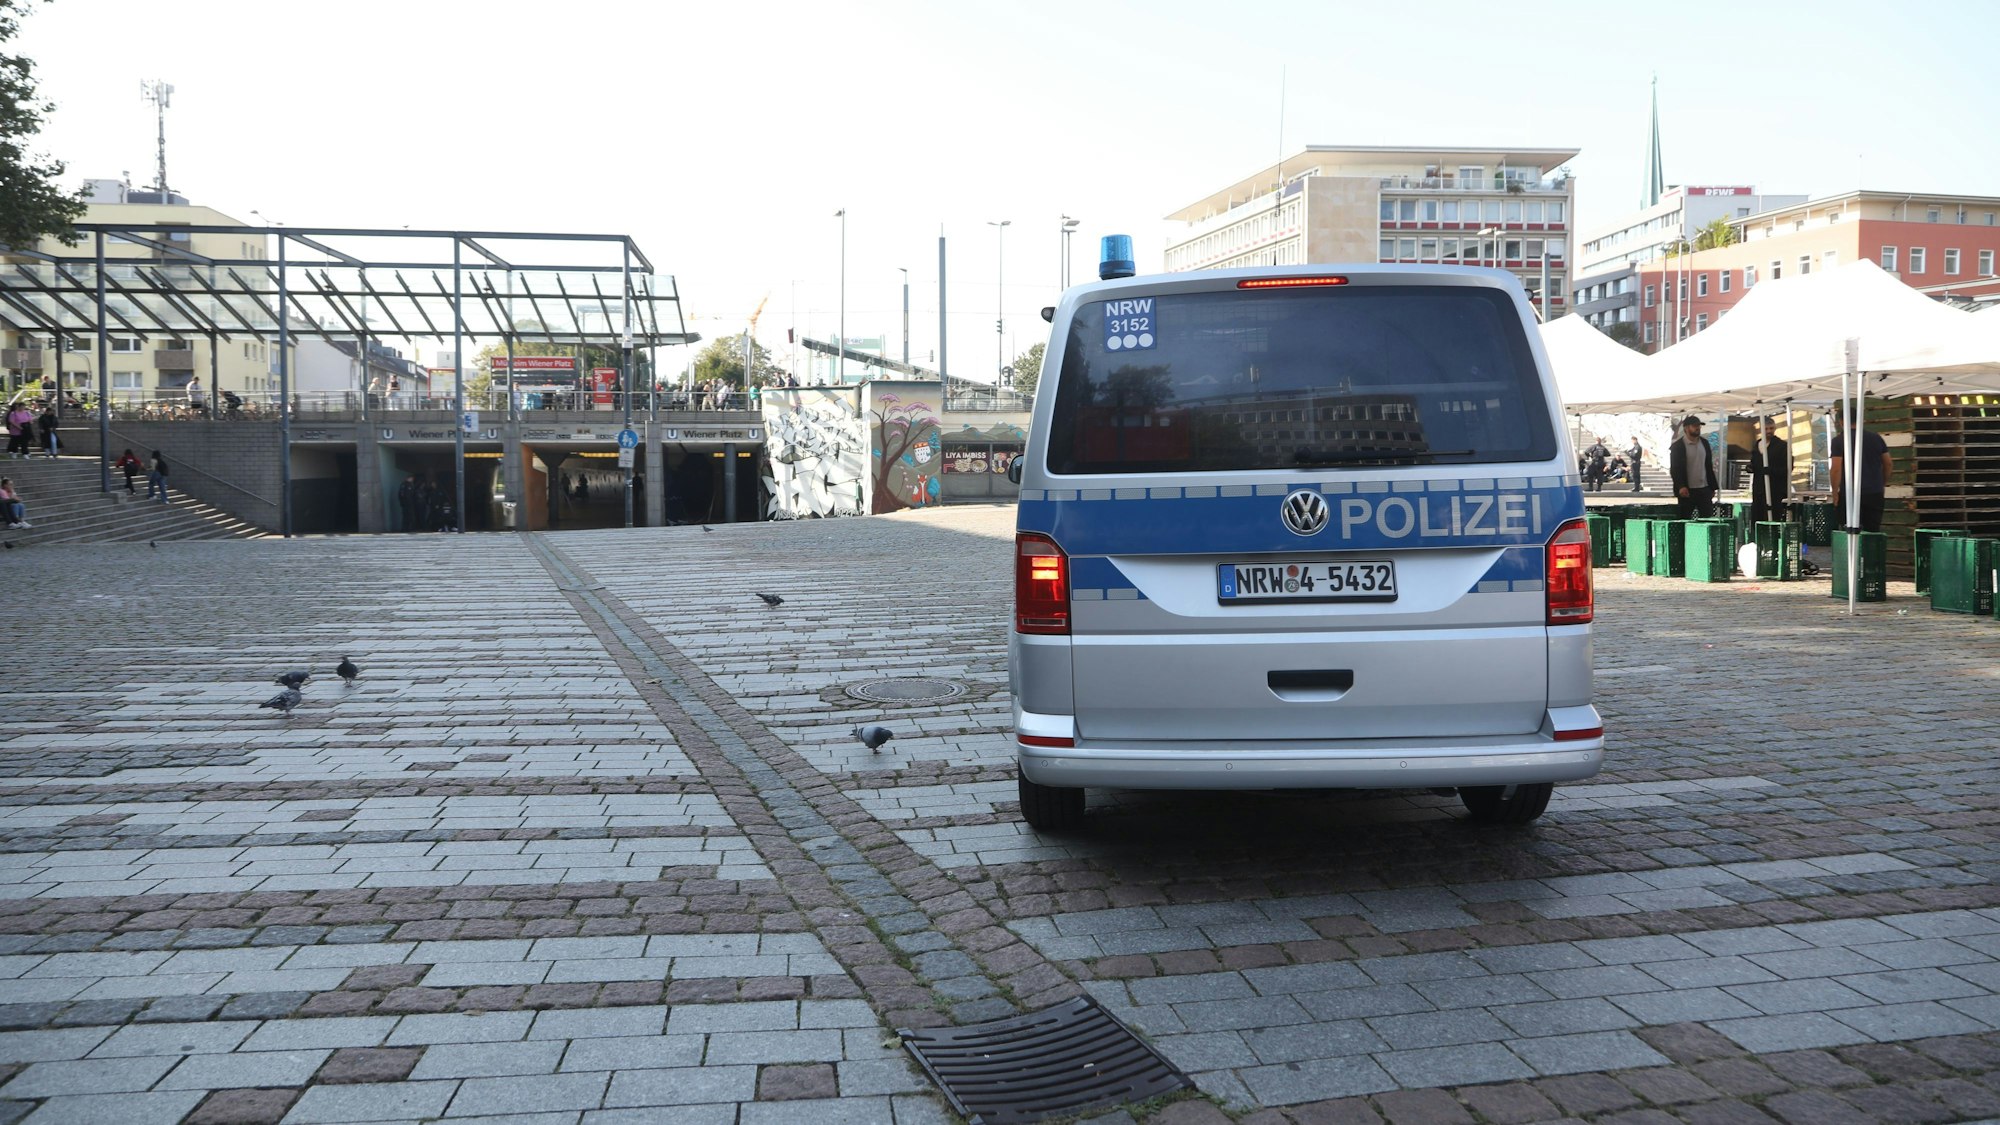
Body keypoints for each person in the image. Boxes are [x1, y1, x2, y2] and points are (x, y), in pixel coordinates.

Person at [1830, 412, 1892, 533]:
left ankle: (1853, 552)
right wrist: (1882, 483)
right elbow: (1888, 463)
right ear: (1861, 420)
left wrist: (1834, 492)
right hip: (1874, 493)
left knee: (1850, 532)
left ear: (1841, 422)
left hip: (1849, 494)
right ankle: (1871, 552)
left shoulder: (1839, 441)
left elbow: (1836, 468)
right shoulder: (1876, 438)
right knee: (1872, 531)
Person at [1668, 414, 1717, 519]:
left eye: (1699, 426)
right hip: (1687, 491)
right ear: (1686, 428)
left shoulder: (1704, 443)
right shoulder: (1678, 447)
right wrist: (1681, 486)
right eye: (1694, 426)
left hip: (1704, 489)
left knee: (1707, 518)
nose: (1698, 428)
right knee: (1685, 518)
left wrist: (1712, 487)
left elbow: (1708, 466)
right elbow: (1675, 469)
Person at [1748, 416, 1791, 526]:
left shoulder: (1782, 446)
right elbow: (1754, 462)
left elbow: (1787, 468)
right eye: (1766, 429)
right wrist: (1751, 467)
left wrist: (1771, 471)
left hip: (1775, 489)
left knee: (1773, 517)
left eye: (1771, 428)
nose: (1769, 431)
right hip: (1758, 489)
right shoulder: (1757, 444)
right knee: (1757, 516)